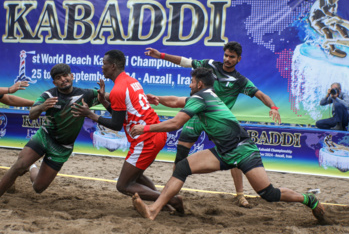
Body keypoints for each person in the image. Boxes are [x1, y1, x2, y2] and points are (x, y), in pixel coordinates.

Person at [130, 67, 326, 222]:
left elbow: (175, 123)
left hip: (243, 150)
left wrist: (145, 128)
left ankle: (309, 199)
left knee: (269, 193)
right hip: (223, 151)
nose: (189, 85)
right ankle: (153, 210)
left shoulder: (202, 98)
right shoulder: (203, 96)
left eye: (191, 82)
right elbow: (176, 100)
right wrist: (158, 99)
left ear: (199, 83)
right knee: (181, 168)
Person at [144, 41, 281, 207]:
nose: (227, 59)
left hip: (218, 121)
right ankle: (172, 196)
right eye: (226, 55)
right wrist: (161, 56)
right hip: (197, 116)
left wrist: (273, 106)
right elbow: (185, 62)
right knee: (180, 155)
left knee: (234, 153)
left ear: (239, 59)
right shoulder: (210, 65)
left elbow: (260, 94)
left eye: (232, 57)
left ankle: (239, 195)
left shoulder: (240, 80)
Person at [71, 50, 183, 211]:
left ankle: (171, 200)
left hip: (146, 139)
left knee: (123, 185)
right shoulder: (131, 81)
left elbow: (117, 125)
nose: (102, 67)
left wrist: (91, 115)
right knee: (136, 176)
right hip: (155, 134)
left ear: (113, 66)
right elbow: (122, 117)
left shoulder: (118, 90)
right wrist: (103, 101)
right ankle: (164, 203)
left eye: (104, 64)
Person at [0, 63, 100, 197]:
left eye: (65, 76)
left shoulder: (86, 94)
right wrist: (41, 107)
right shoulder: (48, 95)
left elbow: (109, 98)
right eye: (58, 78)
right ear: (54, 82)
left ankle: (33, 167)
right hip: (44, 137)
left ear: (72, 76)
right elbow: (32, 114)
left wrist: (107, 96)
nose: (63, 79)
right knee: (19, 166)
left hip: (62, 147)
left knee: (38, 187)